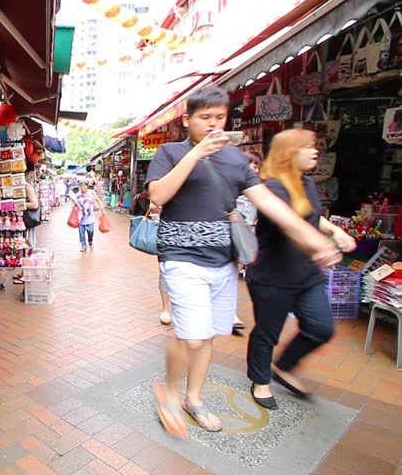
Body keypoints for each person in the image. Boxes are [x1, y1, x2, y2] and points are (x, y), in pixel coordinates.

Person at [145, 87, 342, 438]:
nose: (213, 124)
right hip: (181, 258)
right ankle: (170, 395)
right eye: (204, 117)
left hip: (224, 262)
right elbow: (158, 195)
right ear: (188, 119)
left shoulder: (236, 160)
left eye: (219, 117)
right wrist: (196, 155)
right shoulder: (170, 151)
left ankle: (194, 398)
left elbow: (268, 202)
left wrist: (315, 238)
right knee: (191, 336)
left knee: (205, 338)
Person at [245, 129, 356, 409]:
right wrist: (319, 246)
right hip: (272, 275)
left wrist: (335, 232)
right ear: (288, 152)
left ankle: (284, 366)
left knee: (321, 327)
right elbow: (290, 225)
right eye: (307, 147)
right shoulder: (272, 188)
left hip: (306, 275)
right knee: (268, 332)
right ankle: (260, 380)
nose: (315, 151)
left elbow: (311, 217)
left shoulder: (305, 182)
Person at [232, 150, 265, 331]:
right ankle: (231, 312)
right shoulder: (237, 187)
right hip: (238, 235)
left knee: (234, 273)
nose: (256, 169)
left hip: (248, 236)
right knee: (233, 274)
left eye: (258, 166)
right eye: (253, 165)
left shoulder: (257, 187)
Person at [14, 167, 41, 285]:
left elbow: (34, 204)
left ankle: (27, 274)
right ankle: (25, 272)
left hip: (28, 223)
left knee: (28, 247)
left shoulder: (27, 187)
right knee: (24, 246)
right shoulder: (22, 186)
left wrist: (18, 204)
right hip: (23, 222)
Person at [149, 203, 173, 325]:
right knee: (165, 271)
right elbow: (153, 206)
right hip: (166, 234)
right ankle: (165, 307)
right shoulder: (164, 184)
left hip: (191, 235)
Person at [73, 181, 102, 252]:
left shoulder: (91, 193)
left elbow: (98, 201)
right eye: (81, 186)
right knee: (81, 233)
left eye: (84, 186)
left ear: (87, 186)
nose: (82, 188)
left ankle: (90, 241)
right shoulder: (77, 194)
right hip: (81, 217)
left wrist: (102, 209)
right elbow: (75, 204)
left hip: (90, 216)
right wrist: (75, 206)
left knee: (90, 231)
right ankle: (83, 246)